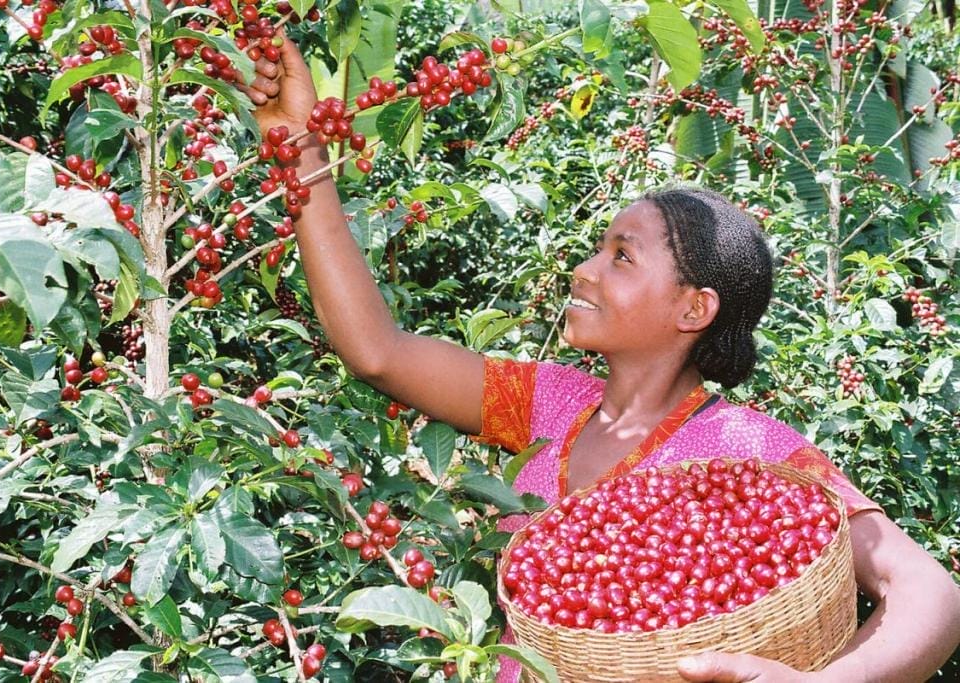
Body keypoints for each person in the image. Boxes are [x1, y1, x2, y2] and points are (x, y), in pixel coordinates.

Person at [246, 33, 960, 683]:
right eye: (598, 248)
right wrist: (300, 150)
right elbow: (378, 352)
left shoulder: (747, 446)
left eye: (621, 257)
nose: (585, 270)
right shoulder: (550, 401)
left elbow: (931, 592)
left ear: (693, 308)